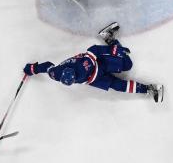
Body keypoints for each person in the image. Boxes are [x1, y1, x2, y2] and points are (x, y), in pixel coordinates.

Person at [23, 22, 164, 103]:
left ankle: (109, 37)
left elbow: (94, 50)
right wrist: (33, 69)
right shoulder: (57, 74)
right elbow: (48, 66)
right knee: (118, 86)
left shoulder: (83, 65)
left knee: (128, 65)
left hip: (99, 64)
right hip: (94, 80)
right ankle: (149, 89)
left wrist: (114, 50)